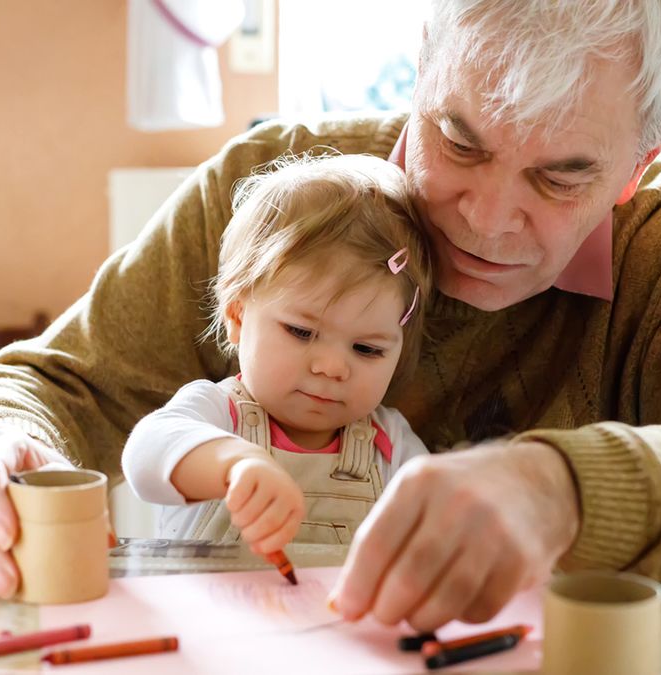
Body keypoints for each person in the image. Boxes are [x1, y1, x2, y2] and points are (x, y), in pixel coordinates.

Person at [0, 0, 661, 633]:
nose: (488, 218)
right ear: (423, 67)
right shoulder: (283, 196)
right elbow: (48, 381)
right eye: (459, 138)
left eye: (562, 174)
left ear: (641, 163)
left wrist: (562, 488)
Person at [121, 154, 433, 555]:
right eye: (301, 332)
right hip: (214, 616)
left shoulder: (388, 444)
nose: (332, 367)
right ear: (237, 315)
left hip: (337, 617)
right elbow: (144, 457)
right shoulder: (218, 413)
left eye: (367, 349)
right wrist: (233, 464)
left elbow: (440, 522)